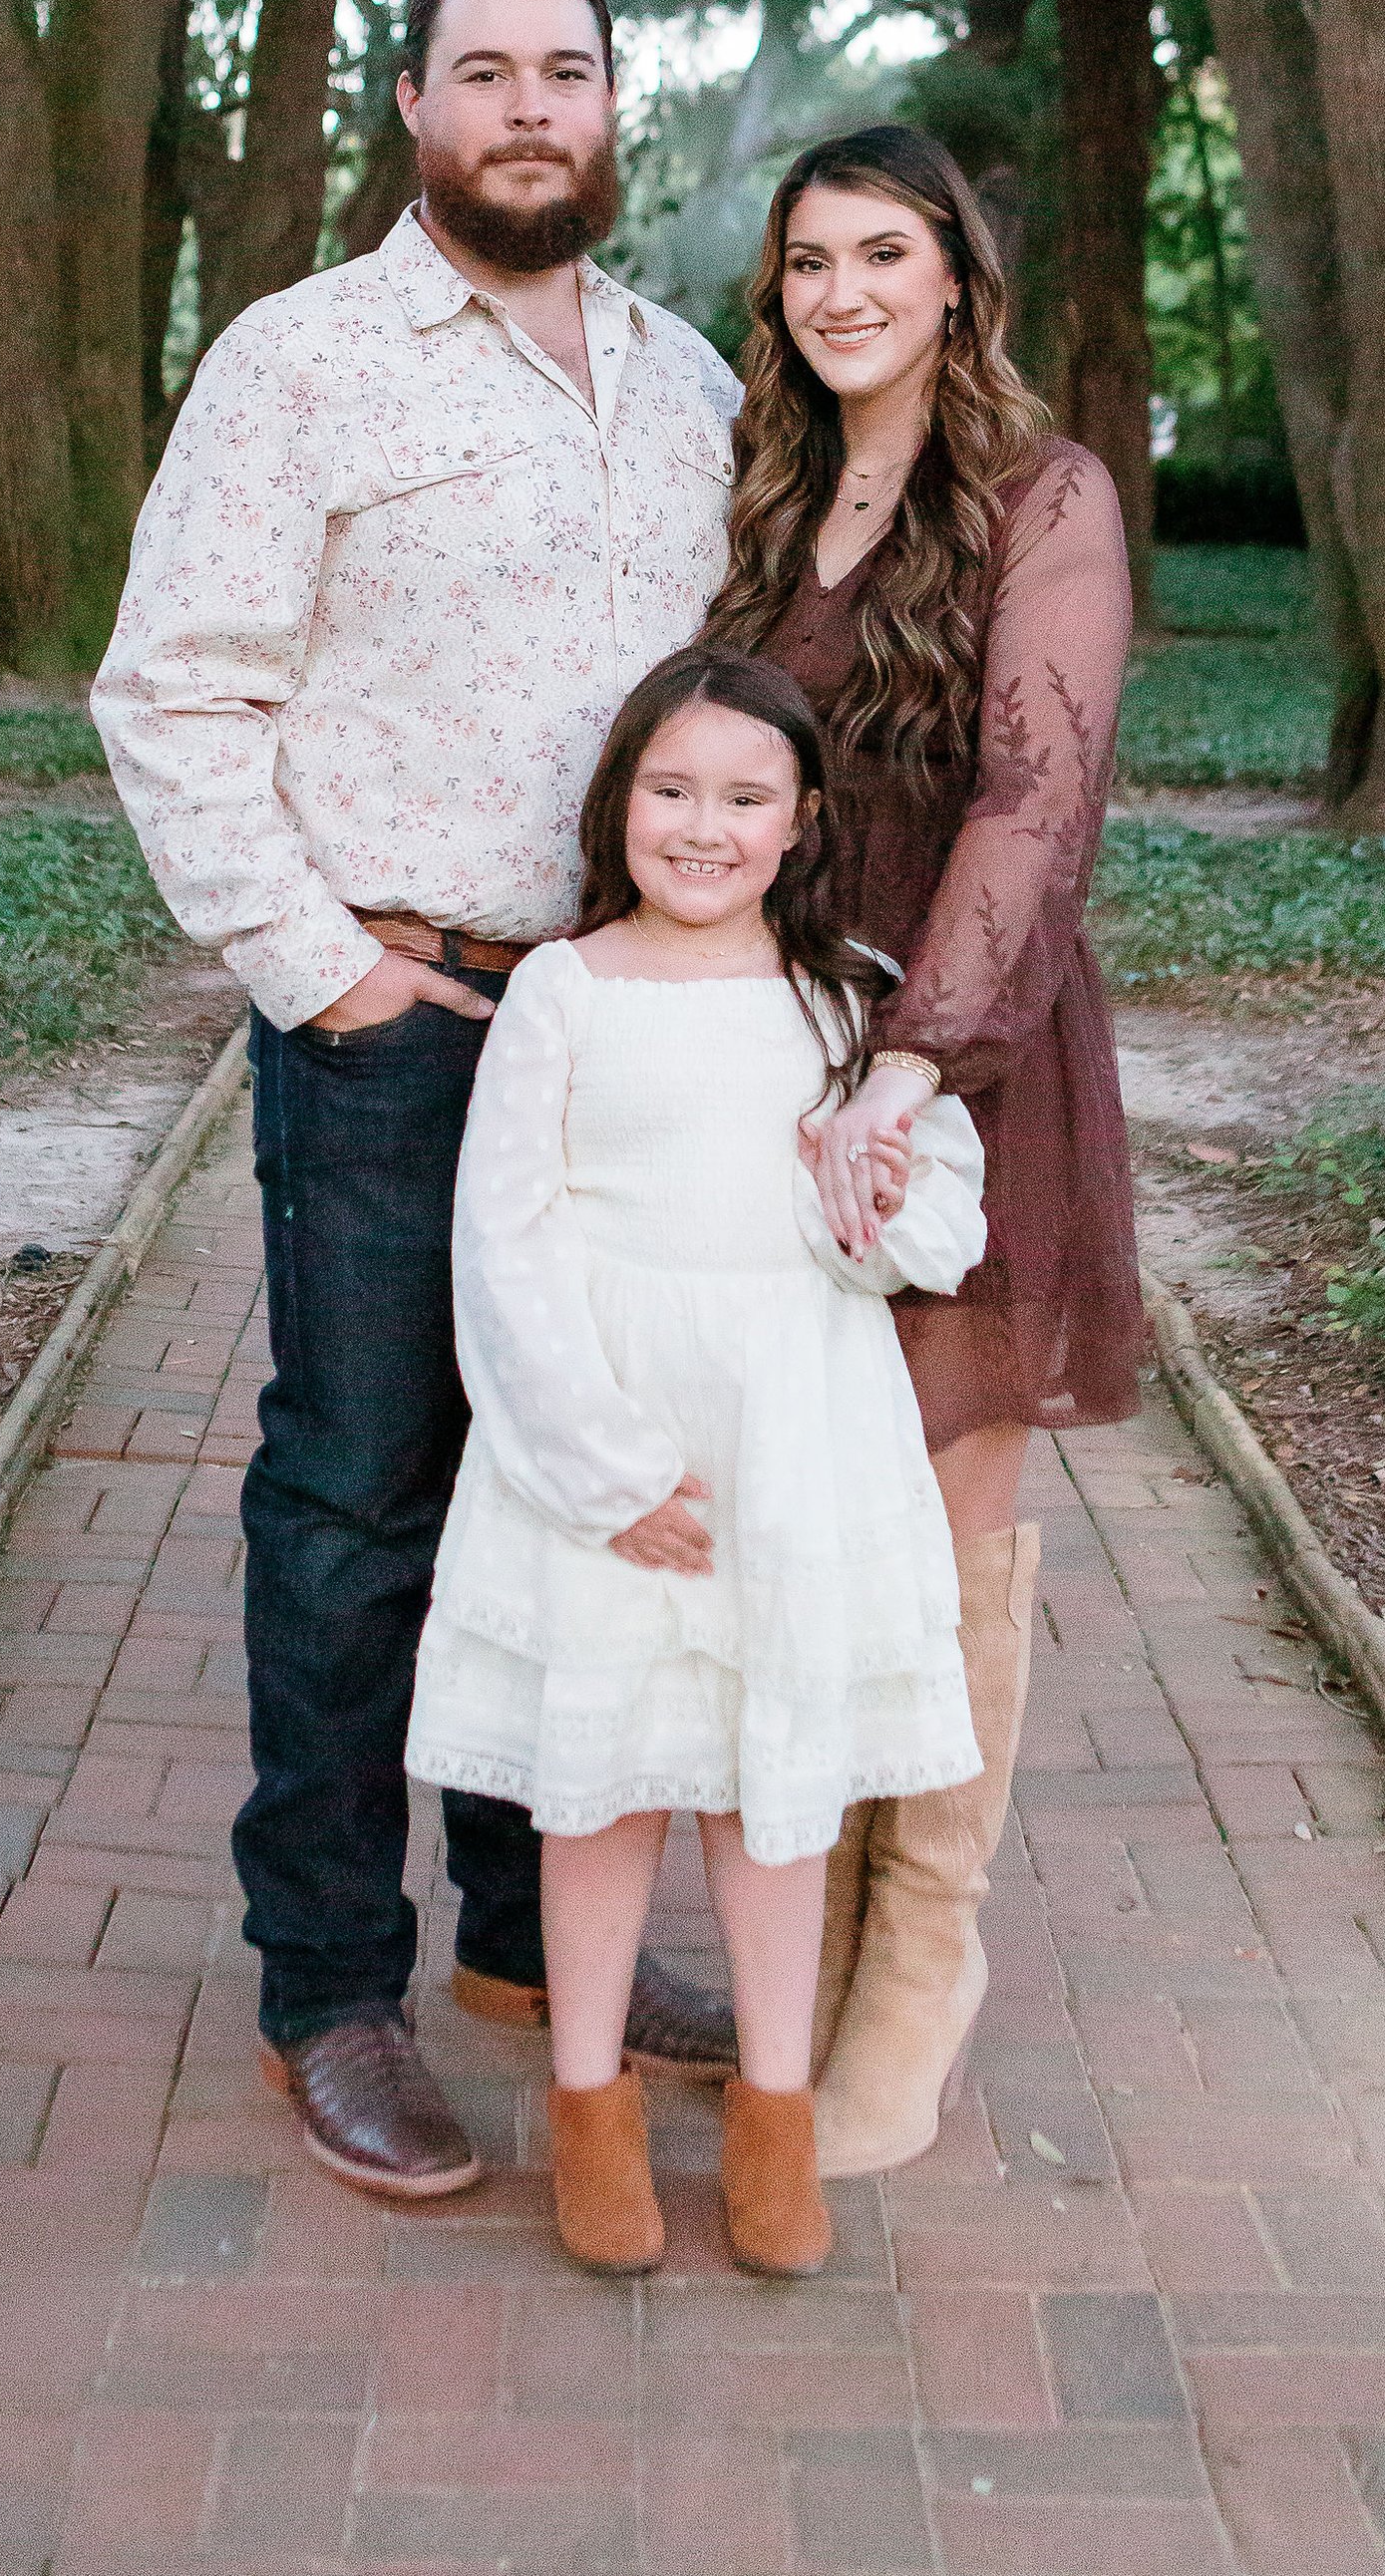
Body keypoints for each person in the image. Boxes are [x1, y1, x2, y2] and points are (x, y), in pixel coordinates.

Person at [92, 0, 744, 2202]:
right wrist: (317, 972)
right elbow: (168, 687)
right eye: (486, 72)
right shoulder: (301, 364)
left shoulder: (684, 383)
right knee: (361, 1499)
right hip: (403, 1026)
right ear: (415, 108)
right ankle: (328, 1982)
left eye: (565, 70)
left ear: (607, 107)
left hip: (629, 1045)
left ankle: (519, 1937)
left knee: (573, 1490)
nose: (530, 107)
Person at [406, 649, 987, 2279]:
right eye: (673, 790)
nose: (706, 826)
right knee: (604, 1785)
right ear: (620, 804)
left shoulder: (839, 1003)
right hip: (617, 1437)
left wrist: (854, 1188)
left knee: (769, 1775)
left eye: (746, 798)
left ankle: (774, 2110)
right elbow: (501, 1242)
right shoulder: (564, 991)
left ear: (803, 823)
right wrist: (602, 1469)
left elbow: (936, 1213)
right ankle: (587, 2100)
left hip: (790, 1434)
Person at [706, 122, 1143, 2177]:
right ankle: (840, 1900)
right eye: (807, 257)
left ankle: (923, 1949)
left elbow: (1032, 791)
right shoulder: (767, 482)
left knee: (949, 1486)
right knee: (814, 1481)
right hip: (764, 1043)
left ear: (954, 275)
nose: (841, 289)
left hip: (955, 1049)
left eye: (881, 251)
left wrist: (909, 1061)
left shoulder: (1043, 495)